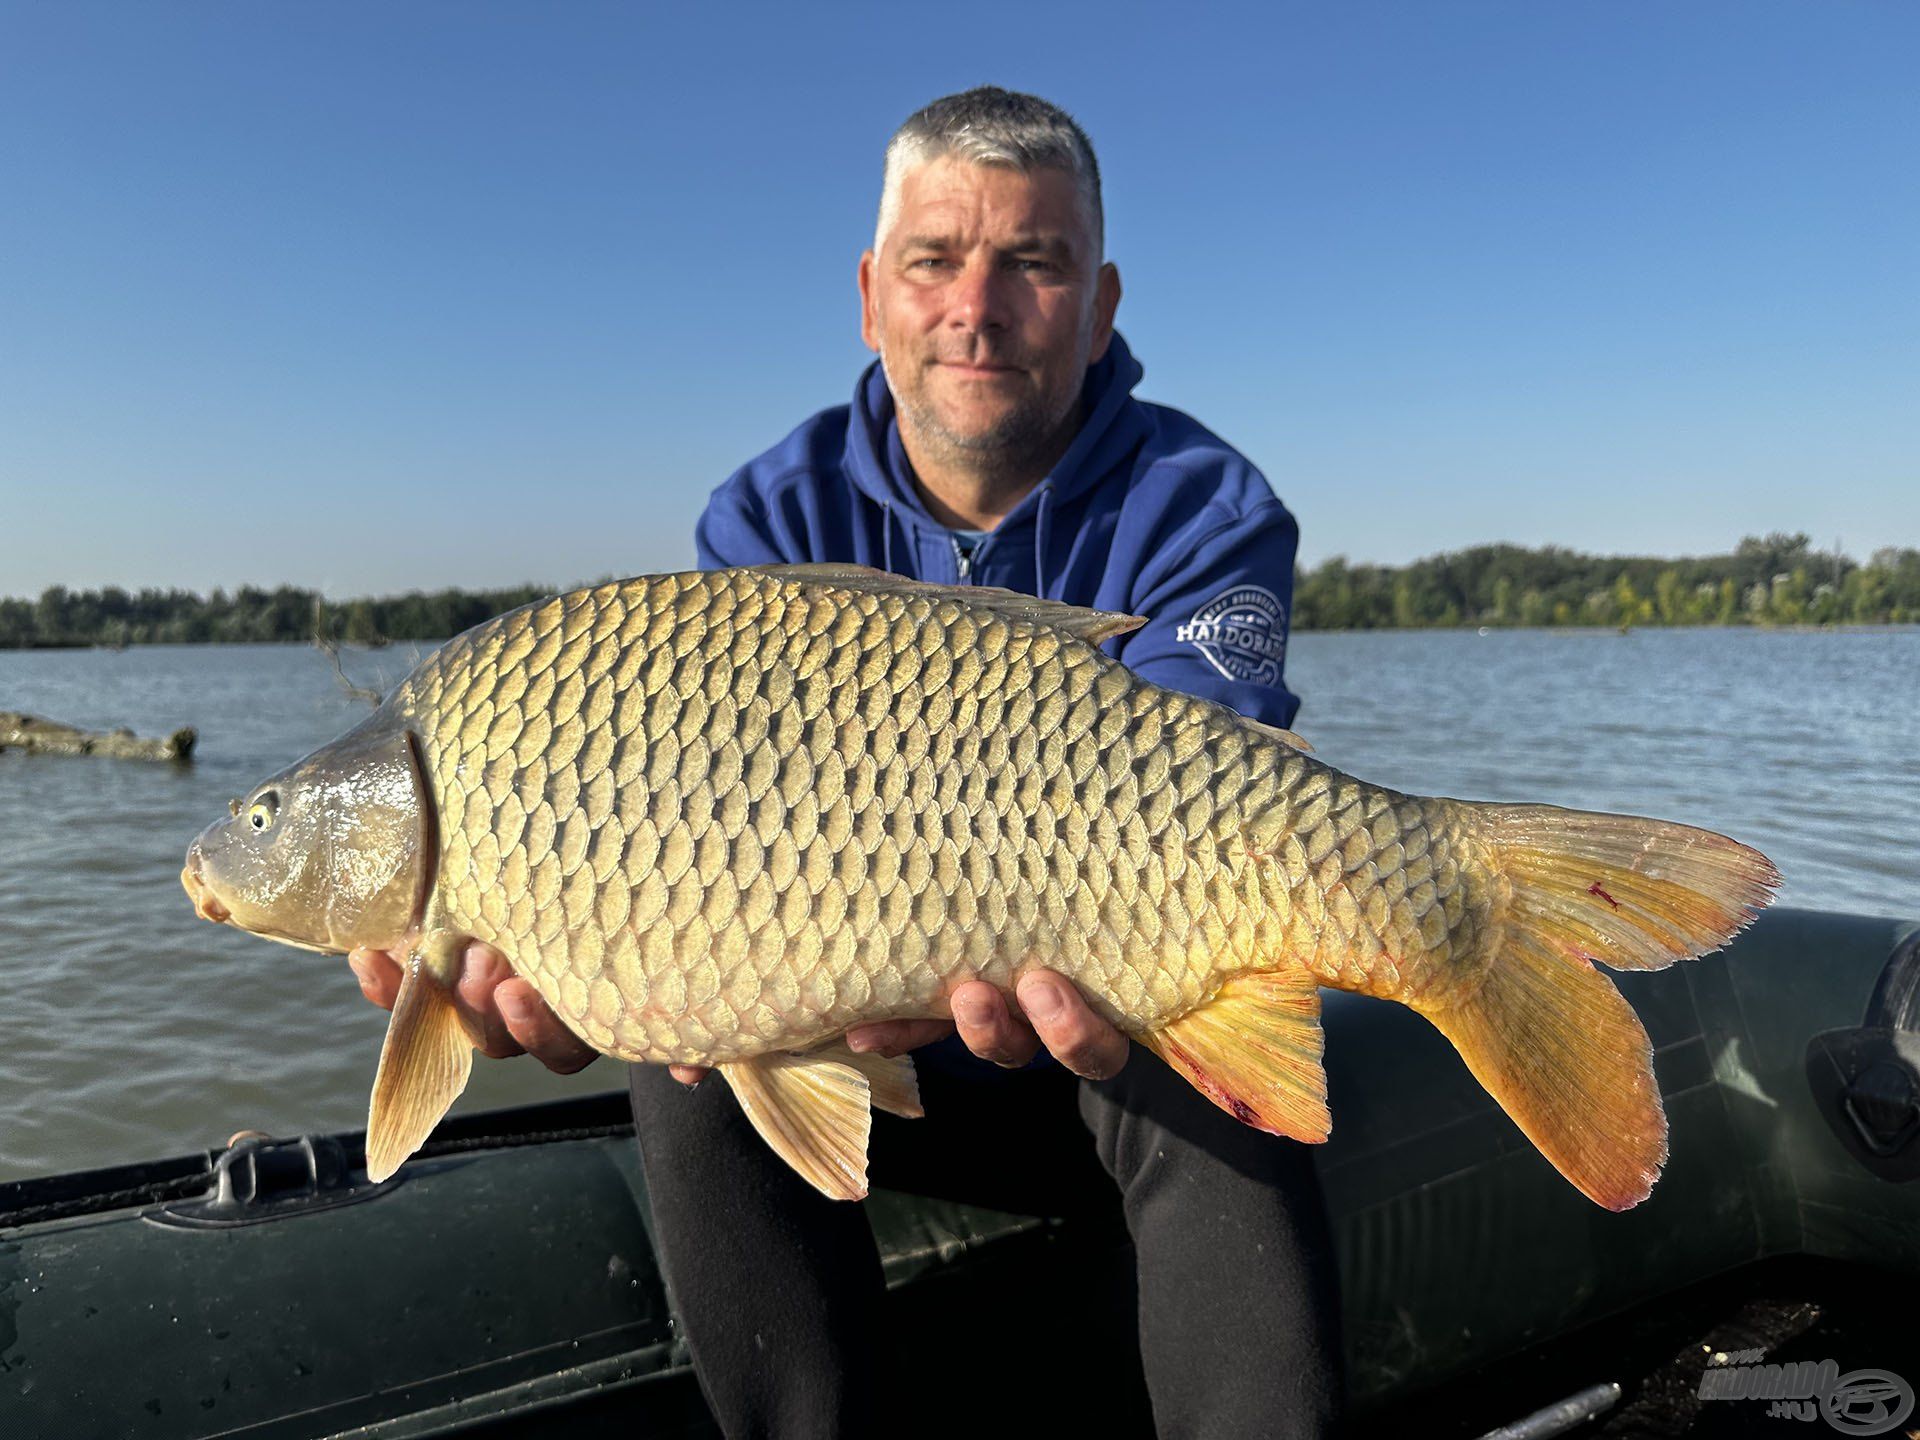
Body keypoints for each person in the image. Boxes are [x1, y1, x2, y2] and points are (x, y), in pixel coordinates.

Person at [351, 87, 1342, 1438]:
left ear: (1102, 302)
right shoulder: (767, 517)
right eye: (934, 262)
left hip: (1099, 1038)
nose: (974, 309)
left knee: (1199, 1033)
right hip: (881, 1061)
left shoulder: (1205, 510)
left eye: (1032, 265)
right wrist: (590, 957)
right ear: (872, 292)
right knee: (684, 1049)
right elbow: (697, 849)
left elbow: (1199, 808)